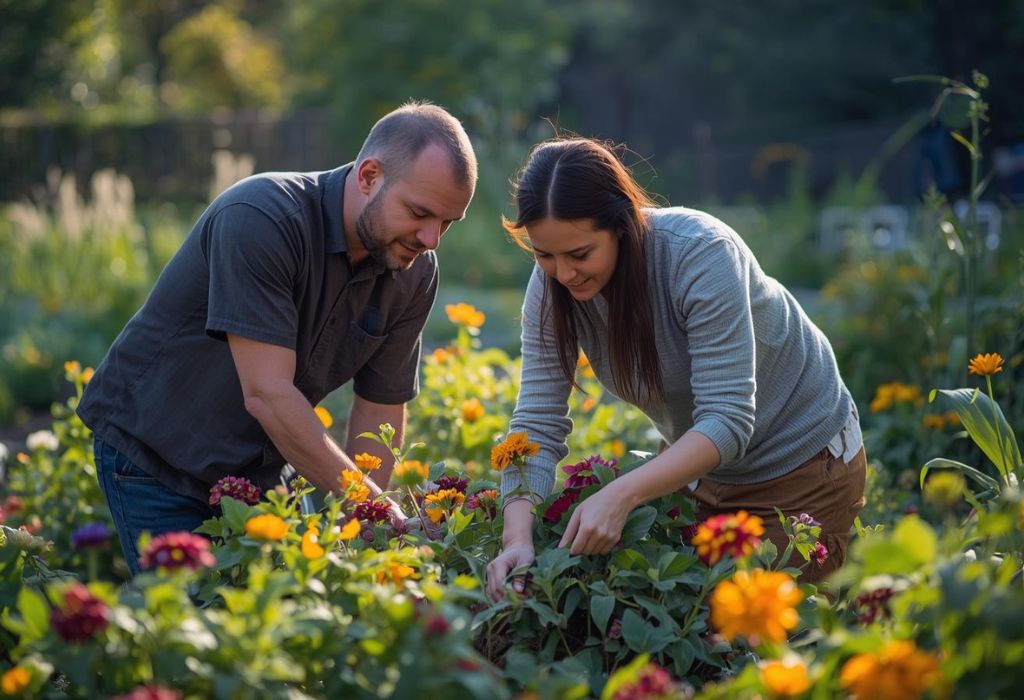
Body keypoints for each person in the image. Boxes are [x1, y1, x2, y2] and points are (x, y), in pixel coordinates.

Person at [78, 102, 477, 574]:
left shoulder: (412, 268)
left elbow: (380, 406)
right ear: (369, 176)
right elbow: (267, 395)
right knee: (195, 631)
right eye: (420, 213)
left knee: (275, 628)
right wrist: (375, 510)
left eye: (447, 224)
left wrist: (365, 528)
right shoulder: (262, 218)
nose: (431, 239)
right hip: (157, 459)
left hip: (261, 472)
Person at [485, 138, 864, 600]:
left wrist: (622, 493)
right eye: (545, 255)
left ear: (622, 226)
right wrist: (517, 540)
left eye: (581, 254)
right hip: (701, 471)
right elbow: (535, 424)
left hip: (800, 466)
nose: (563, 274)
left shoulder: (699, 254)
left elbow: (727, 419)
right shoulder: (552, 288)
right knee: (688, 627)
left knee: (762, 641)